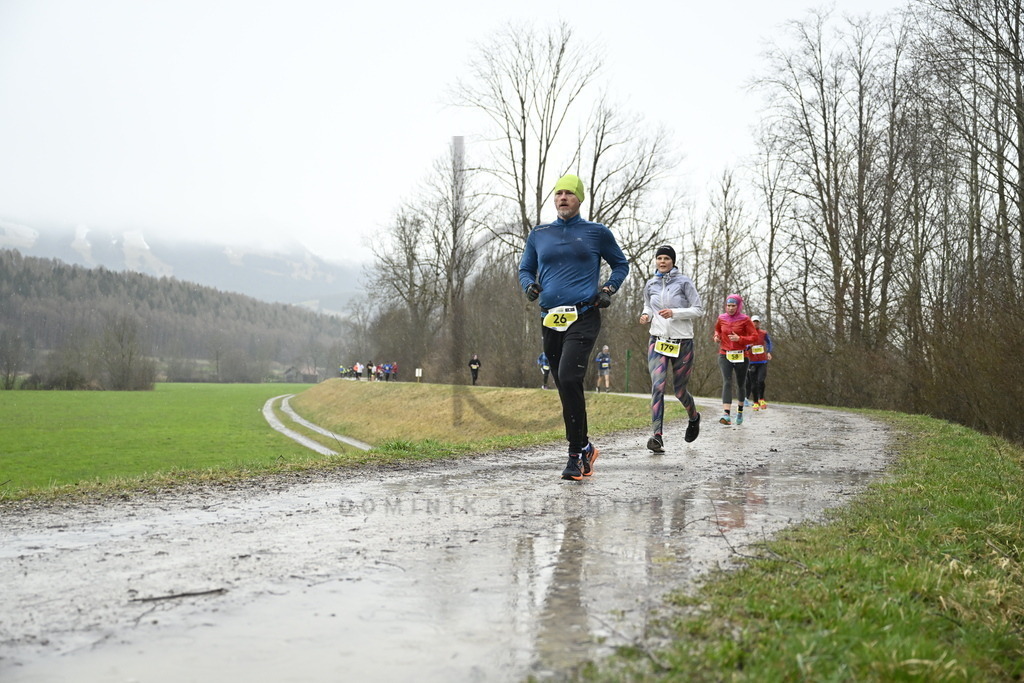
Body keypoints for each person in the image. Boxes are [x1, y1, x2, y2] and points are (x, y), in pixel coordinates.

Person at [519, 173, 629, 481]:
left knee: (569, 375)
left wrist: (608, 289)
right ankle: (584, 446)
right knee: (564, 385)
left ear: (579, 199)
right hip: (550, 318)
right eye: (558, 193)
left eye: (569, 193)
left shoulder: (596, 233)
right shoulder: (539, 234)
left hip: (584, 315)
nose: (563, 197)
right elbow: (526, 267)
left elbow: (621, 264)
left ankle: (574, 456)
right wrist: (528, 284)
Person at [638, 245, 704, 452]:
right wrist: (646, 315)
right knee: (658, 386)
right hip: (658, 339)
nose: (663, 261)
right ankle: (656, 436)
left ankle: (694, 417)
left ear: (673, 261)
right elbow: (648, 305)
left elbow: (698, 310)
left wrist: (675, 313)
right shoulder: (650, 284)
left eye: (667, 258)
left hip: (682, 341)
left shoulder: (684, 282)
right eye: (659, 258)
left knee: (679, 390)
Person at [713, 294, 757, 426]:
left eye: (733, 306)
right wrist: (716, 337)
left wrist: (740, 339)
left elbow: (754, 337)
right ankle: (726, 414)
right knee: (727, 381)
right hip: (725, 353)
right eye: (728, 305)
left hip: (741, 354)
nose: (730, 308)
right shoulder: (721, 318)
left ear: (738, 306)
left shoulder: (745, 320)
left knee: (740, 383)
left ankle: (739, 411)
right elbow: (717, 330)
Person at [745, 315, 772, 410]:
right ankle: (755, 402)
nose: (755, 323)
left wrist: (769, 352)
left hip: (762, 361)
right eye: (754, 322)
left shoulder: (763, 333)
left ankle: (762, 399)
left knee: (761, 380)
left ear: (759, 323)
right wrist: (749, 346)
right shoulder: (747, 333)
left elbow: (769, 342)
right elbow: (743, 345)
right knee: (753, 383)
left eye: (757, 322)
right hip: (751, 362)